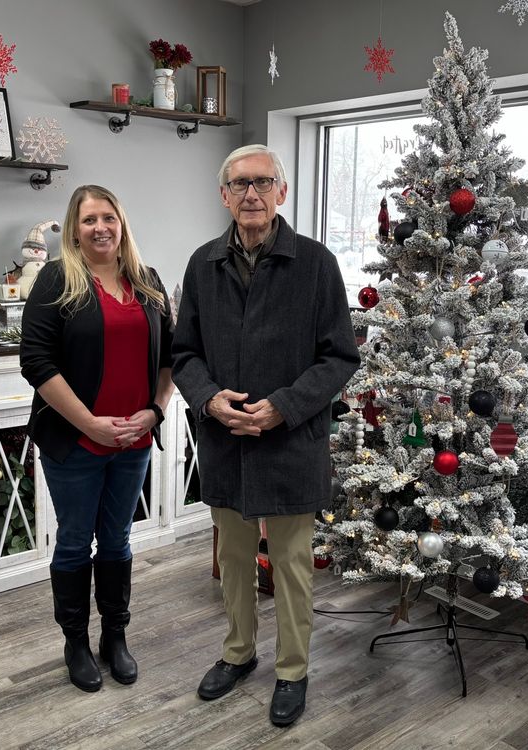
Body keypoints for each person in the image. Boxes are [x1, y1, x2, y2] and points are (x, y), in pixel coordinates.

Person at [172, 144, 360, 726]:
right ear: (224, 196)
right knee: (232, 557)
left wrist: (283, 407)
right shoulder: (203, 265)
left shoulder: (316, 264)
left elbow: (339, 358)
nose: (251, 194)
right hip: (225, 439)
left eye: (263, 182)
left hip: (289, 440)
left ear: (281, 192)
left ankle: (292, 670)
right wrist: (208, 398)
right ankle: (238, 653)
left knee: (292, 562)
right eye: (239, 184)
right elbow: (184, 355)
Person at [20, 184, 174, 692]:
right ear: (74, 229)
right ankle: (75, 643)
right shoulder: (57, 280)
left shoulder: (146, 281)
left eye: (108, 217)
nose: (100, 228)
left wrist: (155, 412)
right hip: (75, 443)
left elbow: (173, 356)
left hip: (132, 442)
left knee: (117, 540)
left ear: (121, 223)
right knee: (72, 542)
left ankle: (115, 637)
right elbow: (35, 362)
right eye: (89, 220)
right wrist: (89, 422)